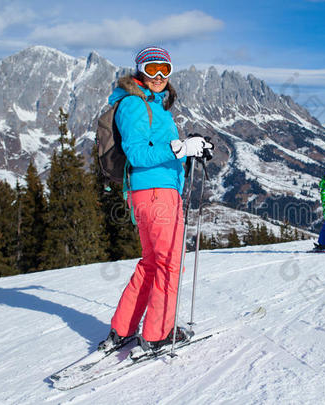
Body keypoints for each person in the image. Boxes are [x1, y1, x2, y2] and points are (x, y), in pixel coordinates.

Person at [98, 46, 213, 352]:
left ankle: (123, 328)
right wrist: (179, 150)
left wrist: (192, 150)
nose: (159, 76)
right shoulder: (135, 105)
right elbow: (137, 153)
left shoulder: (154, 105)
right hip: (156, 194)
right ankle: (157, 333)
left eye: (165, 70)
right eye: (152, 69)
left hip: (152, 192)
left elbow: (159, 148)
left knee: (152, 263)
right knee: (169, 264)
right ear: (139, 70)